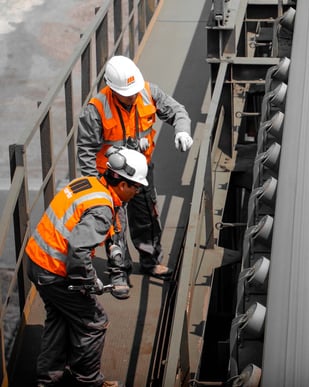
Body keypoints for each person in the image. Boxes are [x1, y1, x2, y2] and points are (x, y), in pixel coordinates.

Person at [25, 147, 148, 387]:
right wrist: (90, 281)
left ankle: (47, 380)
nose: (137, 192)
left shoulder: (89, 183)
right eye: (136, 187)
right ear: (122, 184)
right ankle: (89, 382)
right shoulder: (102, 208)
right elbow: (79, 250)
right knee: (94, 322)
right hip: (53, 271)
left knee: (59, 319)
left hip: (38, 260)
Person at [77, 55, 194, 299]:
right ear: (112, 88)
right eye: (126, 93)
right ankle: (119, 272)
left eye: (134, 91)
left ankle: (151, 261)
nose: (132, 96)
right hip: (110, 179)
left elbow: (177, 111)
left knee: (147, 216)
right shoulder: (97, 109)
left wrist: (182, 131)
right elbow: (86, 150)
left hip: (141, 172)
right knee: (114, 224)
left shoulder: (148, 92)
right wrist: (94, 188)